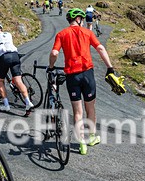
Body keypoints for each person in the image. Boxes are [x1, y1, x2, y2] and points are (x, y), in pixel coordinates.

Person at [48, 8, 117, 155]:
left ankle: (81, 144)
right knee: (90, 108)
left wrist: (51, 66)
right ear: (79, 19)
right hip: (87, 74)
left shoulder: (61, 34)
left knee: (77, 112)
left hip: (72, 76)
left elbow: (54, 53)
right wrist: (109, 68)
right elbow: (101, 48)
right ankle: (91, 138)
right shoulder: (88, 32)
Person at [0, 21, 33, 115]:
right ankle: (28, 102)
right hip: (15, 55)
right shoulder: (8, 34)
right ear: (1, 29)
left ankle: (6, 105)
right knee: (18, 80)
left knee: (0, 81)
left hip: (4, 57)